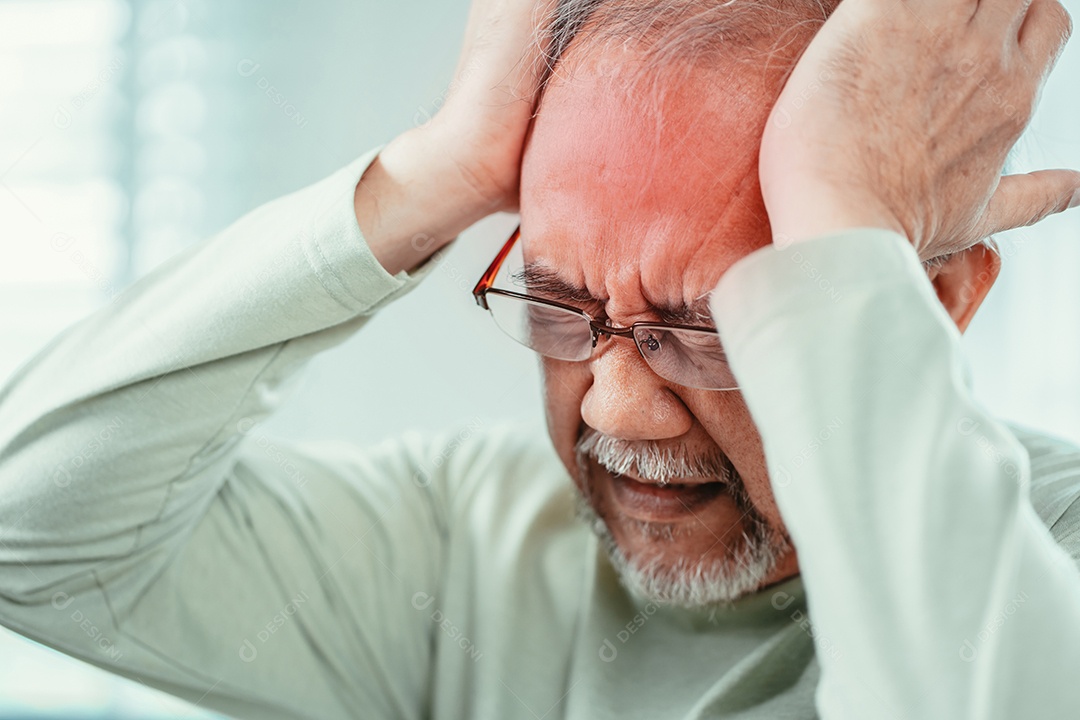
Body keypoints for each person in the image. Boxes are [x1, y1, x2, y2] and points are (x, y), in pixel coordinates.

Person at [1, 0, 1079, 717]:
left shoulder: (1054, 552)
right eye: (562, 302)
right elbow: (29, 533)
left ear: (931, 300)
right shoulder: (468, 546)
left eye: (710, 325)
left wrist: (839, 208)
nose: (619, 409)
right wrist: (439, 166)